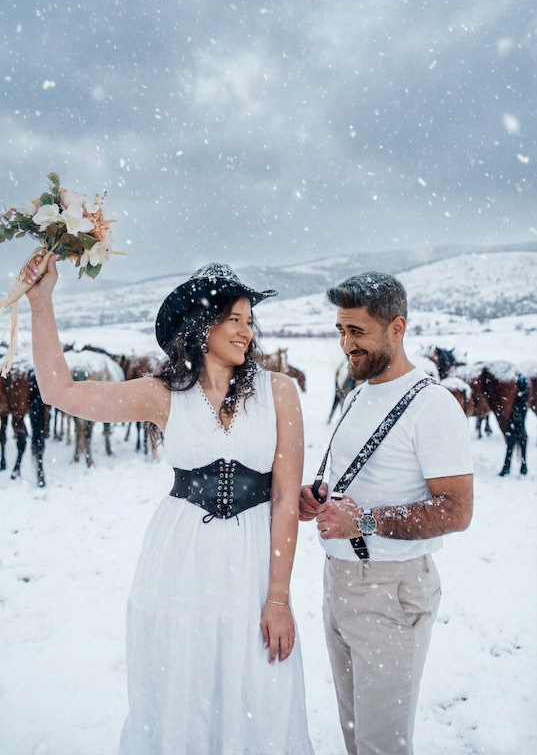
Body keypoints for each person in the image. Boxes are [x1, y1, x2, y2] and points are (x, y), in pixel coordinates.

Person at [23, 256, 314, 755]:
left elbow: (286, 496)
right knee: (184, 679)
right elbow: (60, 391)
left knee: (258, 686)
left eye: (250, 321)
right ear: (202, 325)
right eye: (235, 319)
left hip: (251, 565)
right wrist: (41, 301)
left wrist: (279, 598)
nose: (247, 332)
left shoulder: (280, 392)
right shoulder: (163, 395)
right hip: (179, 560)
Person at [299, 272, 473, 755]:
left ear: (396, 328)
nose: (345, 344)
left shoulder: (432, 405)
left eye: (357, 332)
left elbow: (457, 511)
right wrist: (319, 496)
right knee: (357, 736)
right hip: (340, 584)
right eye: (340, 330)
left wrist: (366, 522)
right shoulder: (358, 395)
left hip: (392, 590)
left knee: (382, 745)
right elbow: (365, 482)